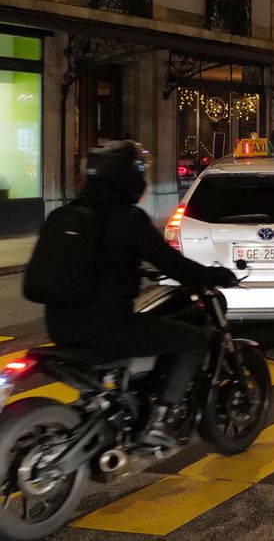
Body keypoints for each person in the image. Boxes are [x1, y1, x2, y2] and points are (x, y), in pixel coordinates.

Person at [42, 141, 237, 448]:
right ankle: (159, 421)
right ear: (128, 179)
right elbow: (174, 265)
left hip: (60, 328)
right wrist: (215, 275)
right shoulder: (128, 218)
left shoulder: (65, 216)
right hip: (108, 329)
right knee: (194, 340)